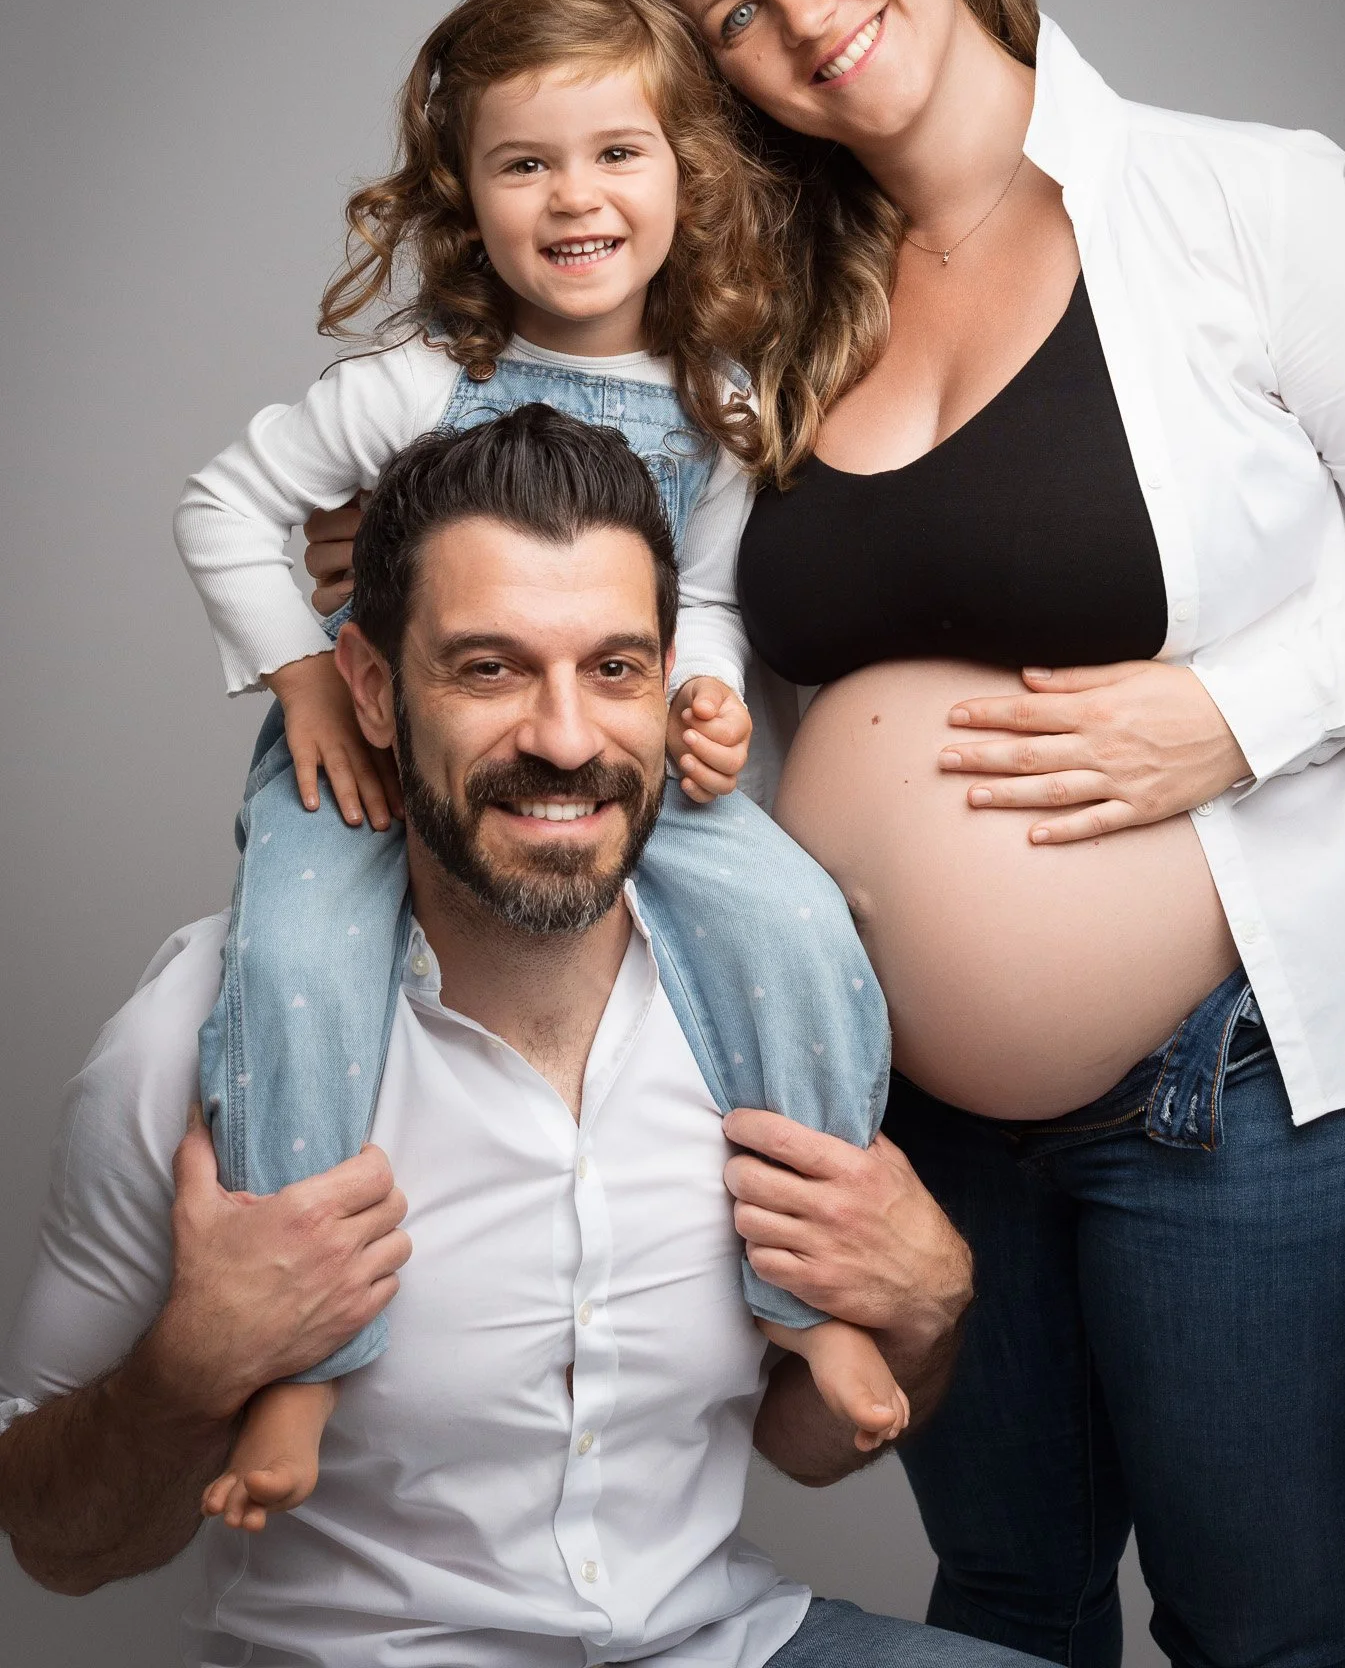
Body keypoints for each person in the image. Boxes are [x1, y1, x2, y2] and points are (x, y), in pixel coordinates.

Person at [515, 0, 1345, 1668]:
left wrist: (1234, 714)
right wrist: (691, 695)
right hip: (907, 1110)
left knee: (1258, 1635)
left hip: (1247, 1091)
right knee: (1007, 1617)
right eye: (734, 11)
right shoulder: (773, 307)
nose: (802, 16)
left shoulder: (1245, 203)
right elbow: (708, 589)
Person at [0, 408, 1044, 1668]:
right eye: (488, 669)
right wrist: (187, 1373)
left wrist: (927, 1314)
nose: (563, 738)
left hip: (726, 1643)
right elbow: (55, 1540)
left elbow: (801, 1444)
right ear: (375, 689)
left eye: (615, 669)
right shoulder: (203, 1039)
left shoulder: (764, 1006)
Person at [172, 0, 899, 1531]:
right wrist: (303, 680)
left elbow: (701, 591)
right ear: (466, 196)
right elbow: (223, 502)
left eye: (616, 154)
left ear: (683, 177)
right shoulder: (422, 381)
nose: (576, 196)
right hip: (380, 757)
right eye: (526, 164)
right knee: (293, 966)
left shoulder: (713, 403)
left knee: (798, 923)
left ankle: (808, 1296)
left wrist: (702, 694)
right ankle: (308, 1353)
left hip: (618, 763)